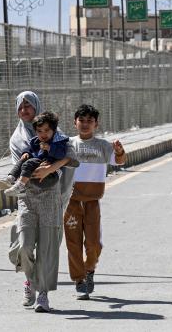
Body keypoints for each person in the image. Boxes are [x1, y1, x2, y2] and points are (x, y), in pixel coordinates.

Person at [6, 91, 78, 313]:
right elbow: (24, 165)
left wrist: (53, 169)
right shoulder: (17, 139)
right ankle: (30, 281)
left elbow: (71, 158)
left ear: (37, 108)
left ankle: (43, 295)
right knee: (25, 244)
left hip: (52, 196)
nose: (24, 110)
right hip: (27, 196)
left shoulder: (57, 135)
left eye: (28, 105)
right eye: (21, 106)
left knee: (47, 247)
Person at [65, 105, 126, 300]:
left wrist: (119, 150)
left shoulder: (103, 146)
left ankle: (89, 269)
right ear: (74, 123)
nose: (85, 124)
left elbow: (120, 161)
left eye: (89, 121)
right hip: (71, 202)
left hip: (92, 203)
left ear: (96, 124)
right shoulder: (67, 145)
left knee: (93, 244)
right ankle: (79, 280)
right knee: (73, 243)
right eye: (81, 121)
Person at [0, 111, 69, 197]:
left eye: (46, 130)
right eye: (39, 131)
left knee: (29, 163)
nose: (43, 134)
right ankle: (10, 179)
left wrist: (50, 148)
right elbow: (31, 150)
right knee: (24, 160)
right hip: (37, 167)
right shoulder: (36, 141)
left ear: (53, 131)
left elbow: (62, 155)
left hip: (50, 175)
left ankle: (20, 187)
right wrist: (26, 153)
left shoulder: (58, 141)